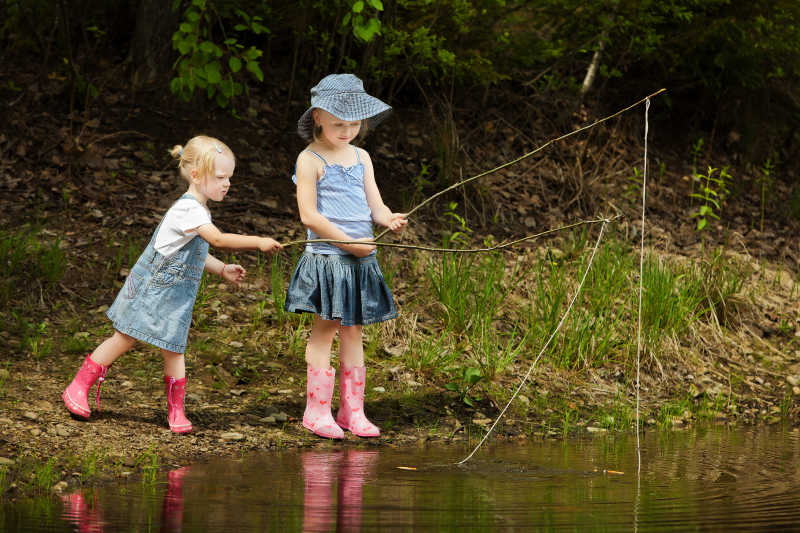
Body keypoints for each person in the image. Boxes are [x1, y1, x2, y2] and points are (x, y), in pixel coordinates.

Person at [62, 135, 282, 433]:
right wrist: (258, 241)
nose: (227, 183)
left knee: (174, 349)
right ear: (195, 175)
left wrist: (222, 269)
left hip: (175, 296)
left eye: (229, 177)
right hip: (153, 287)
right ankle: (78, 386)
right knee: (125, 337)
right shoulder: (188, 209)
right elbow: (216, 239)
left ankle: (176, 410)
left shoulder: (200, 210)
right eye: (220, 177)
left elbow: (196, 253)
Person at [285, 73, 407, 439]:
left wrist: (388, 218)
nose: (348, 131)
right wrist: (347, 243)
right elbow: (309, 216)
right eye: (339, 123)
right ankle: (316, 410)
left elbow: (375, 204)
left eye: (354, 124)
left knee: (354, 331)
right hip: (328, 257)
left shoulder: (362, 157)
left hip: (360, 257)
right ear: (318, 116)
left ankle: (352, 410)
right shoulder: (310, 159)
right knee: (325, 330)